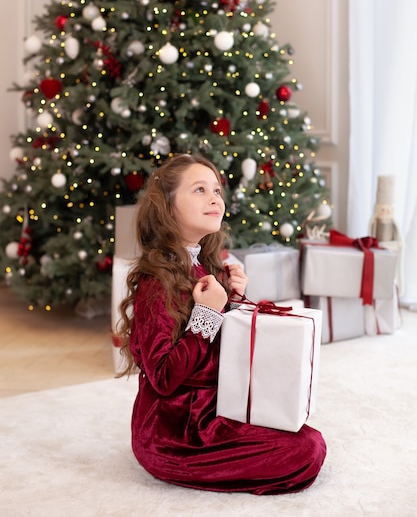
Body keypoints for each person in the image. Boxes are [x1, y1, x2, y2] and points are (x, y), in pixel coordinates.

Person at [117, 153, 326, 494]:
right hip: (174, 432)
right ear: (168, 208)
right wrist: (210, 313)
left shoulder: (200, 265)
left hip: (214, 404)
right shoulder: (156, 281)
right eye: (199, 190)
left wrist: (233, 297)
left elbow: (223, 347)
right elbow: (165, 378)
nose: (215, 198)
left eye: (216, 189)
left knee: (307, 436)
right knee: (306, 450)